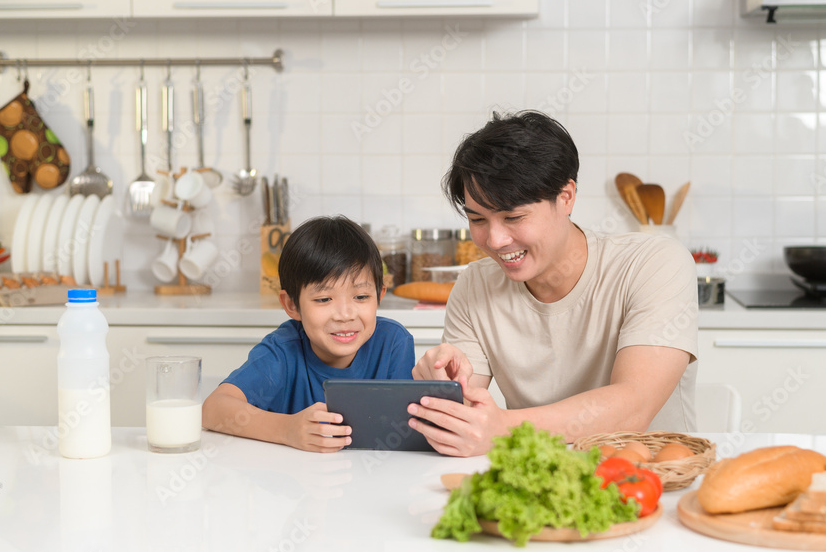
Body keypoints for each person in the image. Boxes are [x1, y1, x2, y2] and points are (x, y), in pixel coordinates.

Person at [408, 111, 698, 457]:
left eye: (513, 217)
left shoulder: (653, 263)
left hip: (654, 482)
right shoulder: (475, 286)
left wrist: (502, 427)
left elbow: (633, 406)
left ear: (566, 197)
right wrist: (441, 390)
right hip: (539, 482)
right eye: (478, 219)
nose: (495, 240)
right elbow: (466, 415)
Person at [203, 215, 415, 452]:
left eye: (361, 297)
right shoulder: (283, 351)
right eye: (324, 299)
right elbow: (213, 409)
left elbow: (405, 431)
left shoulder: (394, 342)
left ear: (379, 296)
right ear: (292, 305)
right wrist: (287, 429)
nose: (345, 315)